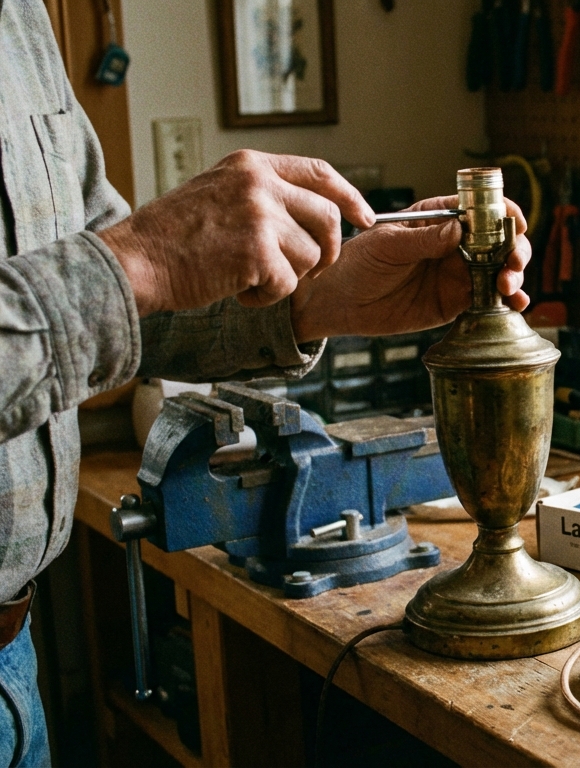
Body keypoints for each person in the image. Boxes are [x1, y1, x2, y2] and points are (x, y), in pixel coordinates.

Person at [0, 2, 532, 763]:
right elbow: (121, 277)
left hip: (15, 661)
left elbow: (119, 312)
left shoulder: (20, 19)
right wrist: (144, 256)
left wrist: (315, 300)